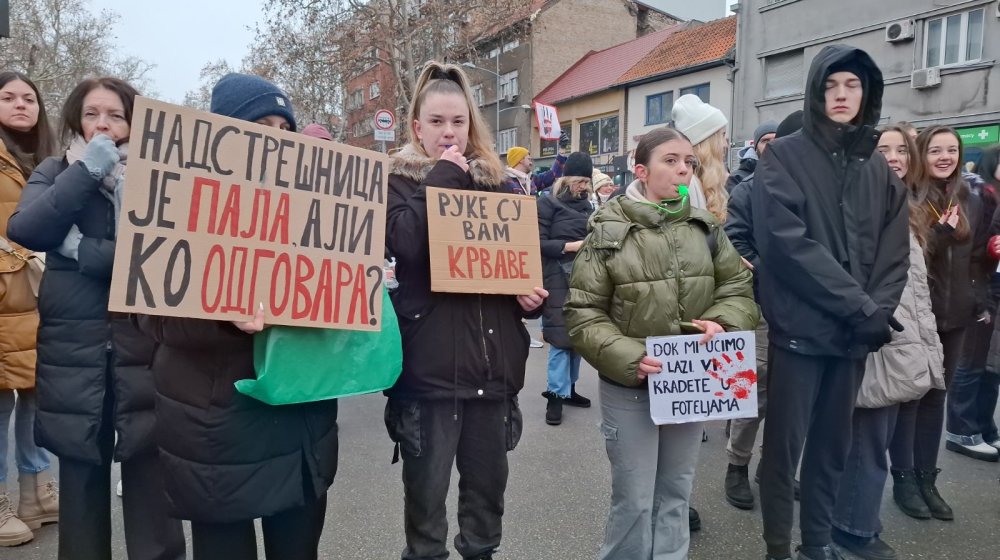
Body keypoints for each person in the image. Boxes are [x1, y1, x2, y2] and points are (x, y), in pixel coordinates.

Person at [135, 73, 339, 560]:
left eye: (283, 126)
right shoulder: (178, 202)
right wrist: (222, 316)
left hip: (298, 421)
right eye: (258, 125)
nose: (275, 137)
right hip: (218, 428)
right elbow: (151, 319)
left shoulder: (319, 210)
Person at [7, 77, 185, 559]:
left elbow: (163, 257)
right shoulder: (56, 169)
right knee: (82, 478)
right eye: (91, 114)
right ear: (74, 118)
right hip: (75, 350)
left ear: (135, 122)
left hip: (144, 343)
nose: (102, 124)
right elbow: (27, 228)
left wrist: (82, 250)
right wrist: (85, 172)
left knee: (151, 472)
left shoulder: (160, 176)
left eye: (115, 115)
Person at [565, 125, 757, 560]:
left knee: (675, 493)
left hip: (693, 384)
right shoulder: (606, 232)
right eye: (669, 161)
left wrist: (722, 323)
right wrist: (632, 357)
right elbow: (583, 313)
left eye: (688, 162)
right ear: (641, 170)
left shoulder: (706, 228)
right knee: (633, 501)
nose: (682, 171)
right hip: (631, 386)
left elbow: (737, 289)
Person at [752, 45, 910, 560]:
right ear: (817, 90)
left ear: (868, 93)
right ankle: (778, 546)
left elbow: (893, 254)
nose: (841, 96)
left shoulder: (879, 170)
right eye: (831, 85)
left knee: (831, 450)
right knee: (784, 451)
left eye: (853, 86)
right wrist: (861, 309)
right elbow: (787, 245)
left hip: (852, 339)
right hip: (801, 332)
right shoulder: (785, 155)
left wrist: (876, 313)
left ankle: (815, 542)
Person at [384, 61, 547, 560]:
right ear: (417, 127)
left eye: (458, 122)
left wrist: (528, 297)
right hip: (429, 378)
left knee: (485, 507)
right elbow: (404, 244)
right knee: (426, 511)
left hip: (492, 375)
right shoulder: (396, 183)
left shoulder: (502, 186)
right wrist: (445, 177)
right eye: (436, 122)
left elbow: (519, 266)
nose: (449, 132)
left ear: (470, 124)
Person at [830, 125, 945, 560]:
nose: (895, 156)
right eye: (884, 149)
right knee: (867, 443)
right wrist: (877, 324)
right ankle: (851, 532)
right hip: (879, 343)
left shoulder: (905, 206)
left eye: (902, 149)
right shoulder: (862, 206)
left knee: (876, 440)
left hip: (904, 343)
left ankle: (857, 524)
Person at [887, 125, 991, 520]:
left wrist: (981, 300)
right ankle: (904, 479)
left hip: (957, 314)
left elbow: (979, 257)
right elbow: (907, 258)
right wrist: (940, 234)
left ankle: (928, 479)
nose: (945, 157)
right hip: (918, 313)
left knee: (937, 397)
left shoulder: (971, 197)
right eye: (935, 151)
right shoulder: (908, 198)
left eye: (952, 150)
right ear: (921, 155)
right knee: (911, 396)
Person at [721, 110, 802, 511]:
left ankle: (776, 469)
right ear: (758, 146)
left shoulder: (814, 189)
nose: (776, 147)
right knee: (752, 391)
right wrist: (770, 274)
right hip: (760, 306)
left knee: (792, 397)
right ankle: (737, 465)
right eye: (768, 139)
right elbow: (735, 241)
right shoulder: (747, 191)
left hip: (804, 313)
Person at [0, 71, 57, 547]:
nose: (22, 105)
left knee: (37, 395)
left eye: (29, 98)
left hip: (38, 298)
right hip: (4, 299)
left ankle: (33, 492)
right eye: (8, 97)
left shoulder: (46, 160)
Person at [945, 144, 1000, 460]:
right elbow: (960, 242)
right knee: (972, 360)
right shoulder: (977, 193)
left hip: (993, 285)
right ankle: (961, 430)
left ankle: (984, 426)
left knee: (991, 365)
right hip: (977, 285)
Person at [538, 152, 595, 425]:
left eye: (587, 181)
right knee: (561, 339)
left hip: (584, 276)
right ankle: (555, 397)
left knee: (578, 338)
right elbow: (537, 243)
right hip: (556, 276)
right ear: (567, 178)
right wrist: (569, 246)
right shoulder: (547, 203)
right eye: (580, 180)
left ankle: (569, 389)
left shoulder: (589, 207)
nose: (584, 186)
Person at [671, 93, 729, 222]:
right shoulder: (688, 184)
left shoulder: (698, 180)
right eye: (722, 135)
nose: (725, 144)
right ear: (707, 142)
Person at [725, 120, 777, 194]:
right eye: (765, 141)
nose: (771, 144)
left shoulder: (792, 174)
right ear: (755, 147)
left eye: (777, 139)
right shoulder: (737, 179)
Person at [502, 145, 567, 196]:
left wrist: (562, 151)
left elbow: (552, 174)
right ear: (521, 160)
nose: (531, 163)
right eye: (529, 159)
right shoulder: (505, 182)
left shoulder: (532, 179)